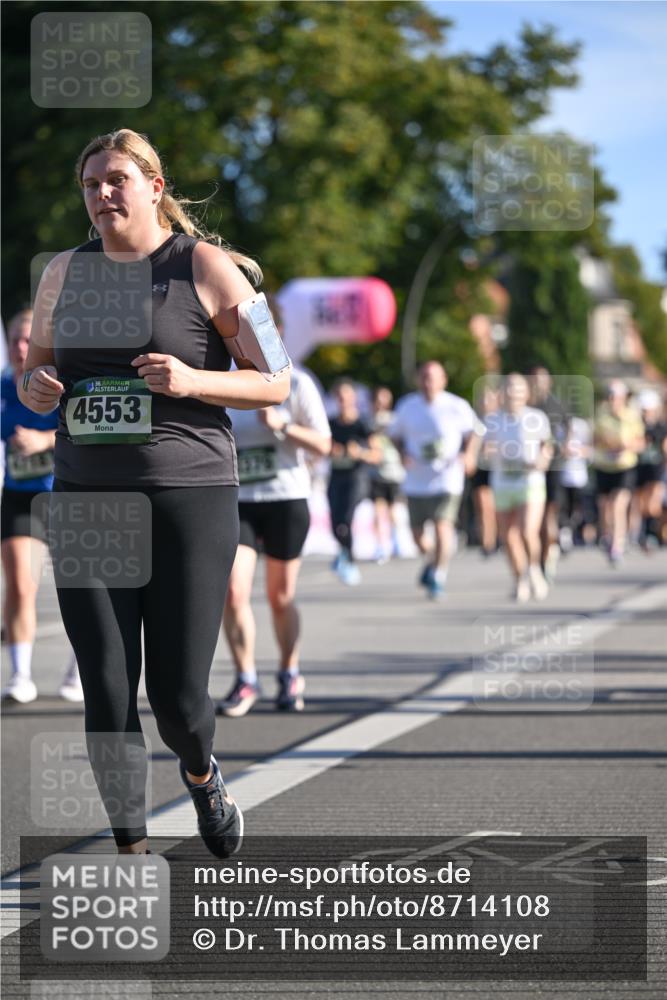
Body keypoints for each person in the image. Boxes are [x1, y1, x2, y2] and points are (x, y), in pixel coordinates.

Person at [19, 128, 289, 857]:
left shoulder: (206, 267)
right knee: (106, 688)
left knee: (176, 699)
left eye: (115, 181)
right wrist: (36, 386)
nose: (101, 195)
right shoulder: (61, 275)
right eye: (89, 185)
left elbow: (278, 380)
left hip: (188, 496)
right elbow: (34, 376)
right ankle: (130, 848)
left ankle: (202, 776)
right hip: (86, 498)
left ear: (154, 188)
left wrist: (194, 379)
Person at [218, 321, 331, 718]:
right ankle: (246, 677)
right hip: (238, 500)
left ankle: (289, 671)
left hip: (286, 498)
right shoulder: (225, 382)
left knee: (280, 597)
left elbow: (323, 444)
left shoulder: (297, 383)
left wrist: (283, 425)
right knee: (232, 591)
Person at [1, 309, 81, 704]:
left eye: (26, 339)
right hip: (20, 497)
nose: (19, 347)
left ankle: (79, 670)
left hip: (68, 494)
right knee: (19, 583)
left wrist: (42, 441)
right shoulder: (2, 387)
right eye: (14, 339)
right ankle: (20, 675)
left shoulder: (61, 384)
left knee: (81, 589)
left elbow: (82, 427)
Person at [390, 361, 481, 599]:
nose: (428, 382)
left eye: (433, 377)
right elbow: (394, 436)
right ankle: (432, 560)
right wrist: (402, 454)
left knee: (443, 528)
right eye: (424, 377)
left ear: (443, 380)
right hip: (416, 480)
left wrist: (469, 455)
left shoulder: (456, 405)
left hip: (447, 478)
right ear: (418, 380)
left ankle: (438, 575)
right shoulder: (407, 406)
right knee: (418, 537)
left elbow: (475, 431)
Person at [485, 373, 552, 602]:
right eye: (509, 388)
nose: (513, 393)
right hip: (503, 482)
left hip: (530, 482)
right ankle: (519, 579)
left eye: (518, 388)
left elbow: (547, 446)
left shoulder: (536, 418)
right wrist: (496, 453)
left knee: (527, 531)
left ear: (527, 393)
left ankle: (534, 569)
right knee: (508, 537)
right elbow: (486, 449)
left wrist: (542, 460)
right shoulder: (493, 420)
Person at [327, 379, 381, 586]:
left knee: (346, 520)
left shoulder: (363, 423)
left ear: (354, 398)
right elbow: (321, 447)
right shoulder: (330, 423)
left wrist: (359, 452)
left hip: (356, 477)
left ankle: (349, 560)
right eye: (339, 396)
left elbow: (377, 454)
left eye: (347, 396)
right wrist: (330, 451)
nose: (343, 400)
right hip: (335, 476)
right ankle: (343, 553)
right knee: (335, 522)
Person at [592, 381, 644, 565]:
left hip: (624, 466)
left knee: (618, 506)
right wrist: (606, 442)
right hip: (604, 466)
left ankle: (617, 545)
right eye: (610, 396)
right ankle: (607, 536)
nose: (613, 400)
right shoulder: (601, 413)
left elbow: (640, 442)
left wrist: (626, 445)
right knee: (605, 508)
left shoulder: (631, 415)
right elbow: (594, 439)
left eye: (616, 396)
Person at [528, 365, 570, 582]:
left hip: (552, 467)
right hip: (527, 469)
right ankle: (535, 560)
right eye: (534, 379)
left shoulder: (556, 405)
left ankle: (548, 555)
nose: (537, 383)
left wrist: (563, 446)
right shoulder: (524, 405)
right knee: (530, 518)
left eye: (542, 379)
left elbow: (566, 431)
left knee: (548, 514)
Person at [368, 386, 405, 562]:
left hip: (394, 471)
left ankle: (396, 542)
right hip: (376, 472)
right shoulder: (368, 420)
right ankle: (380, 545)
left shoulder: (394, 420)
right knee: (377, 510)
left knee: (393, 510)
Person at [632, 390, 666, 550]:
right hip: (640, 468)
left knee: (654, 503)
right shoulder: (637, 425)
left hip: (656, 468)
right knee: (641, 504)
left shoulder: (661, 426)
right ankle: (644, 534)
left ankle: (653, 533)